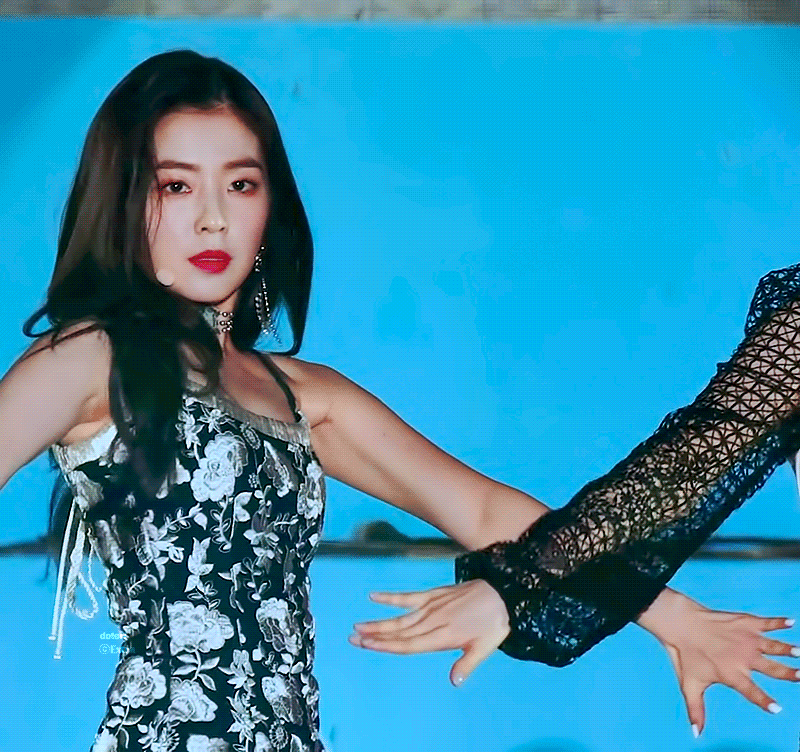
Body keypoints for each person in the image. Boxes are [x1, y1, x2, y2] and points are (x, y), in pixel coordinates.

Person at [0, 49, 795, 752]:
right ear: (125, 200)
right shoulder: (91, 356)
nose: (213, 218)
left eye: (241, 184)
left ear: (271, 207)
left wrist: (673, 617)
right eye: (176, 185)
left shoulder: (303, 394)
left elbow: (483, 510)